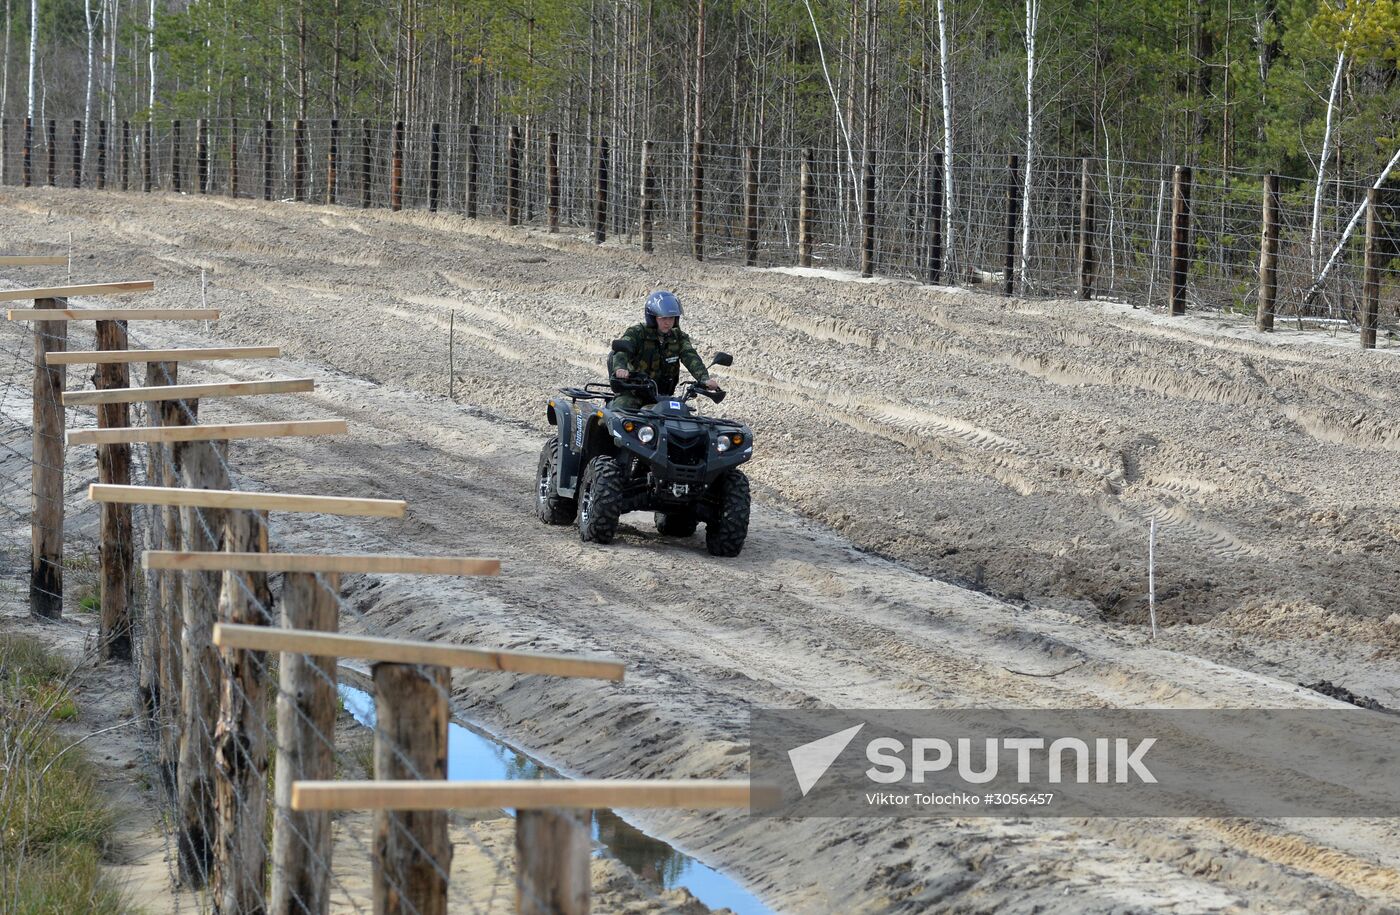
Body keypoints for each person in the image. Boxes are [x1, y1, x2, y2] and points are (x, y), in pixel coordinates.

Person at [609, 290, 721, 410]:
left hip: (662, 397)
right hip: (634, 393)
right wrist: (620, 368)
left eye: (671, 318)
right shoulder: (637, 333)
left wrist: (704, 379)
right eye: (663, 318)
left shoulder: (678, 337)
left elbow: (690, 357)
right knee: (619, 413)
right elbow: (622, 350)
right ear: (653, 318)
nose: (668, 322)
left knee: (682, 419)